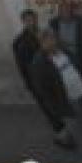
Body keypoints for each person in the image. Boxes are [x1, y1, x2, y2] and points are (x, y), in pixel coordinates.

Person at [31, 28, 82, 163]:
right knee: (78, 130)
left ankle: (74, 141)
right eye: (47, 41)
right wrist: (56, 109)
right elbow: (44, 91)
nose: (51, 42)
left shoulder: (64, 51)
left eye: (52, 38)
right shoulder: (39, 63)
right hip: (66, 101)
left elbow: (77, 66)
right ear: (41, 43)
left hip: (80, 93)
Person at [12, 9, 69, 146]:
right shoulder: (19, 42)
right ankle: (61, 135)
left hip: (55, 77)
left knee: (60, 104)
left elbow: (56, 51)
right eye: (28, 20)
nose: (31, 22)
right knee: (49, 108)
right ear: (23, 22)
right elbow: (22, 66)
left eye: (33, 19)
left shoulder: (46, 33)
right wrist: (30, 85)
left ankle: (67, 130)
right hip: (38, 82)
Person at [50, 0, 82, 113]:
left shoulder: (80, 21)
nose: (66, 12)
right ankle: (81, 108)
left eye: (68, 9)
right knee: (74, 83)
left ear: (72, 10)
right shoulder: (54, 23)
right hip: (66, 60)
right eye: (63, 10)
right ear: (59, 12)